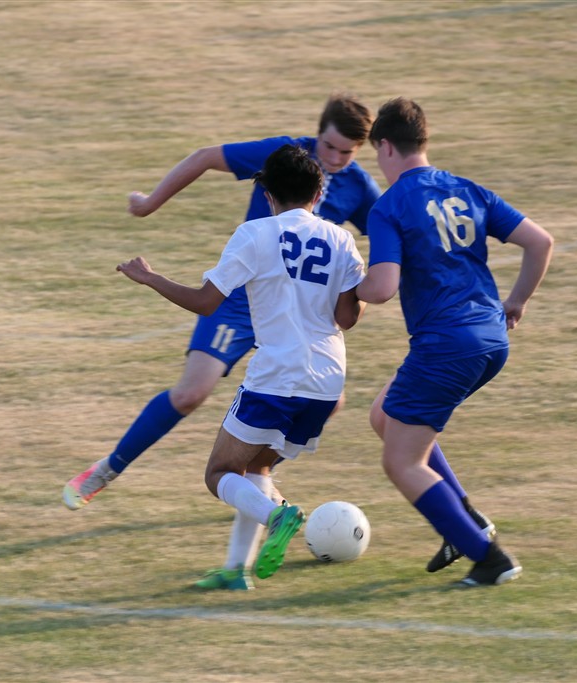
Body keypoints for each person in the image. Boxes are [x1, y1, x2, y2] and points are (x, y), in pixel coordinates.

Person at [63, 94, 381, 512]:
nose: (336, 159)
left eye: (347, 152)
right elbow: (205, 157)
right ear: (317, 134)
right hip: (240, 298)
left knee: (328, 401)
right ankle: (108, 469)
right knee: (190, 394)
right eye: (330, 147)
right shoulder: (283, 156)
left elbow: (390, 230)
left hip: (295, 310)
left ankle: (258, 484)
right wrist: (149, 203)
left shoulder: (359, 186)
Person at [114, 145, 366, 587]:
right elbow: (347, 317)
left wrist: (151, 278)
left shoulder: (255, 234)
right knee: (256, 469)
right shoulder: (341, 239)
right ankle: (236, 571)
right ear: (318, 193)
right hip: (327, 383)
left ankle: (277, 516)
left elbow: (206, 303)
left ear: (268, 195)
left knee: (219, 474)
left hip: (276, 378)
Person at [356, 97, 554, 587]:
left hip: (445, 345)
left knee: (401, 461)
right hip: (490, 338)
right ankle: (466, 518)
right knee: (384, 415)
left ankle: (488, 557)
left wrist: (341, 286)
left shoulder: (390, 206)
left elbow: (381, 288)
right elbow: (540, 242)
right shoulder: (468, 189)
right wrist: (516, 302)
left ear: (385, 146)